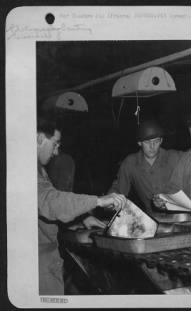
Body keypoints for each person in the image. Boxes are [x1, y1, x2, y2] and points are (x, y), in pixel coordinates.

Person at [37, 117, 127, 295]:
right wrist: (98, 201)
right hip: (38, 260)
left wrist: (83, 217)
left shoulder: (38, 168)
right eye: (55, 144)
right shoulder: (23, 168)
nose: (56, 152)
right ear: (40, 138)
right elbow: (49, 201)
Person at [108, 120, 182, 214]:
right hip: (153, 218)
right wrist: (106, 202)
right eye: (147, 142)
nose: (152, 146)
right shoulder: (130, 163)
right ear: (139, 143)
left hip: (181, 215)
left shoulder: (175, 157)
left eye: (156, 141)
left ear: (161, 141)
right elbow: (118, 189)